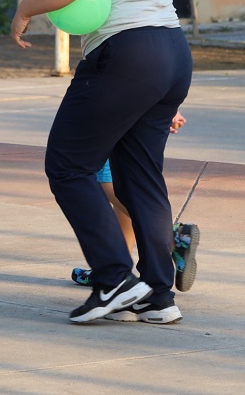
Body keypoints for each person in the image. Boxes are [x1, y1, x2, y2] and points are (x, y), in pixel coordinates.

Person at [11, 0, 201, 324]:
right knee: (141, 176)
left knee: (68, 164)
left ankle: (115, 278)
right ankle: (160, 295)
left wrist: (26, 7)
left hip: (127, 53)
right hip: (173, 52)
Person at [71, 112, 201, 297]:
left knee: (101, 174)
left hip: (111, 103)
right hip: (144, 100)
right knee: (124, 181)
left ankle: (172, 238)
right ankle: (113, 269)